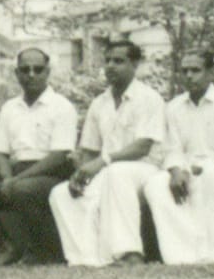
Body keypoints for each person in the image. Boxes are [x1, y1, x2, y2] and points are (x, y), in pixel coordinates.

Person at [48, 40, 165, 267]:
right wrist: (81, 174)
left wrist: (103, 162)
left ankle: (129, 254)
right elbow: (90, 150)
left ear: (135, 64)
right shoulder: (99, 103)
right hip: (108, 170)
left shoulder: (149, 98)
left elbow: (142, 146)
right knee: (61, 192)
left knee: (117, 174)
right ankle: (86, 258)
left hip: (147, 170)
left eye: (118, 61)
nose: (110, 66)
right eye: (108, 60)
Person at [0, 48, 77, 266]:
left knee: (22, 190)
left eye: (37, 69)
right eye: (25, 69)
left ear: (47, 72)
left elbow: (60, 155)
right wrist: (6, 178)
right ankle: (7, 247)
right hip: (17, 171)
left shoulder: (62, 107)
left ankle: (40, 251)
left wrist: (15, 182)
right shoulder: (9, 108)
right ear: (17, 73)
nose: (31, 74)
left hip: (51, 172)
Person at [142, 50, 214, 265]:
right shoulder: (173, 107)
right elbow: (172, 148)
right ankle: (181, 254)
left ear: (211, 73)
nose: (189, 75)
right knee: (155, 184)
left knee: (210, 177)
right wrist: (176, 170)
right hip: (186, 169)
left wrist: (199, 166)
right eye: (185, 71)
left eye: (196, 70)